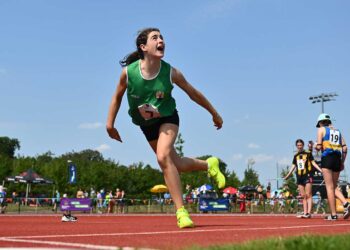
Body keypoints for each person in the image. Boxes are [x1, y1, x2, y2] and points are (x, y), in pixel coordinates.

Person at [106, 27, 225, 228]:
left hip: (168, 117)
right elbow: (117, 97)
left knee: (162, 157)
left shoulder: (171, 72)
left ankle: (181, 212)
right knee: (175, 164)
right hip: (146, 124)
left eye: (162, 37)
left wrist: (214, 113)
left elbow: (193, 93)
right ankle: (209, 165)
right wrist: (110, 124)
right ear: (143, 47)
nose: (161, 40)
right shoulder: (128, 73)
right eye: (155, 37)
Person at [315, 113, 348, 220]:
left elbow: (319, 147)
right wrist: (342, 162)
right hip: (337, 160)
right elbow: (345, 149)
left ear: (321, 122)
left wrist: (316, 146)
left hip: (327, 159)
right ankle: (346, 204)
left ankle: (333, 215)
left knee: (329, 187)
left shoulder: (321, 130)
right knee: (333, 187)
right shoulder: (338, 131)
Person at [284, 139, 323, 219]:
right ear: (296, 146)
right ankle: (305, 212)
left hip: (308, 175)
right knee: (303, 195)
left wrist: (320, 170)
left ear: (303, 145)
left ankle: (308, 213)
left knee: (308, 194)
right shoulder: (296, 156)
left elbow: (313, 163)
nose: (299, 147)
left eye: (300, 145)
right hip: (299, 176)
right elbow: (293, 166)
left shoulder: (308, 154)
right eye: (298, 145)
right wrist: (288, 175)